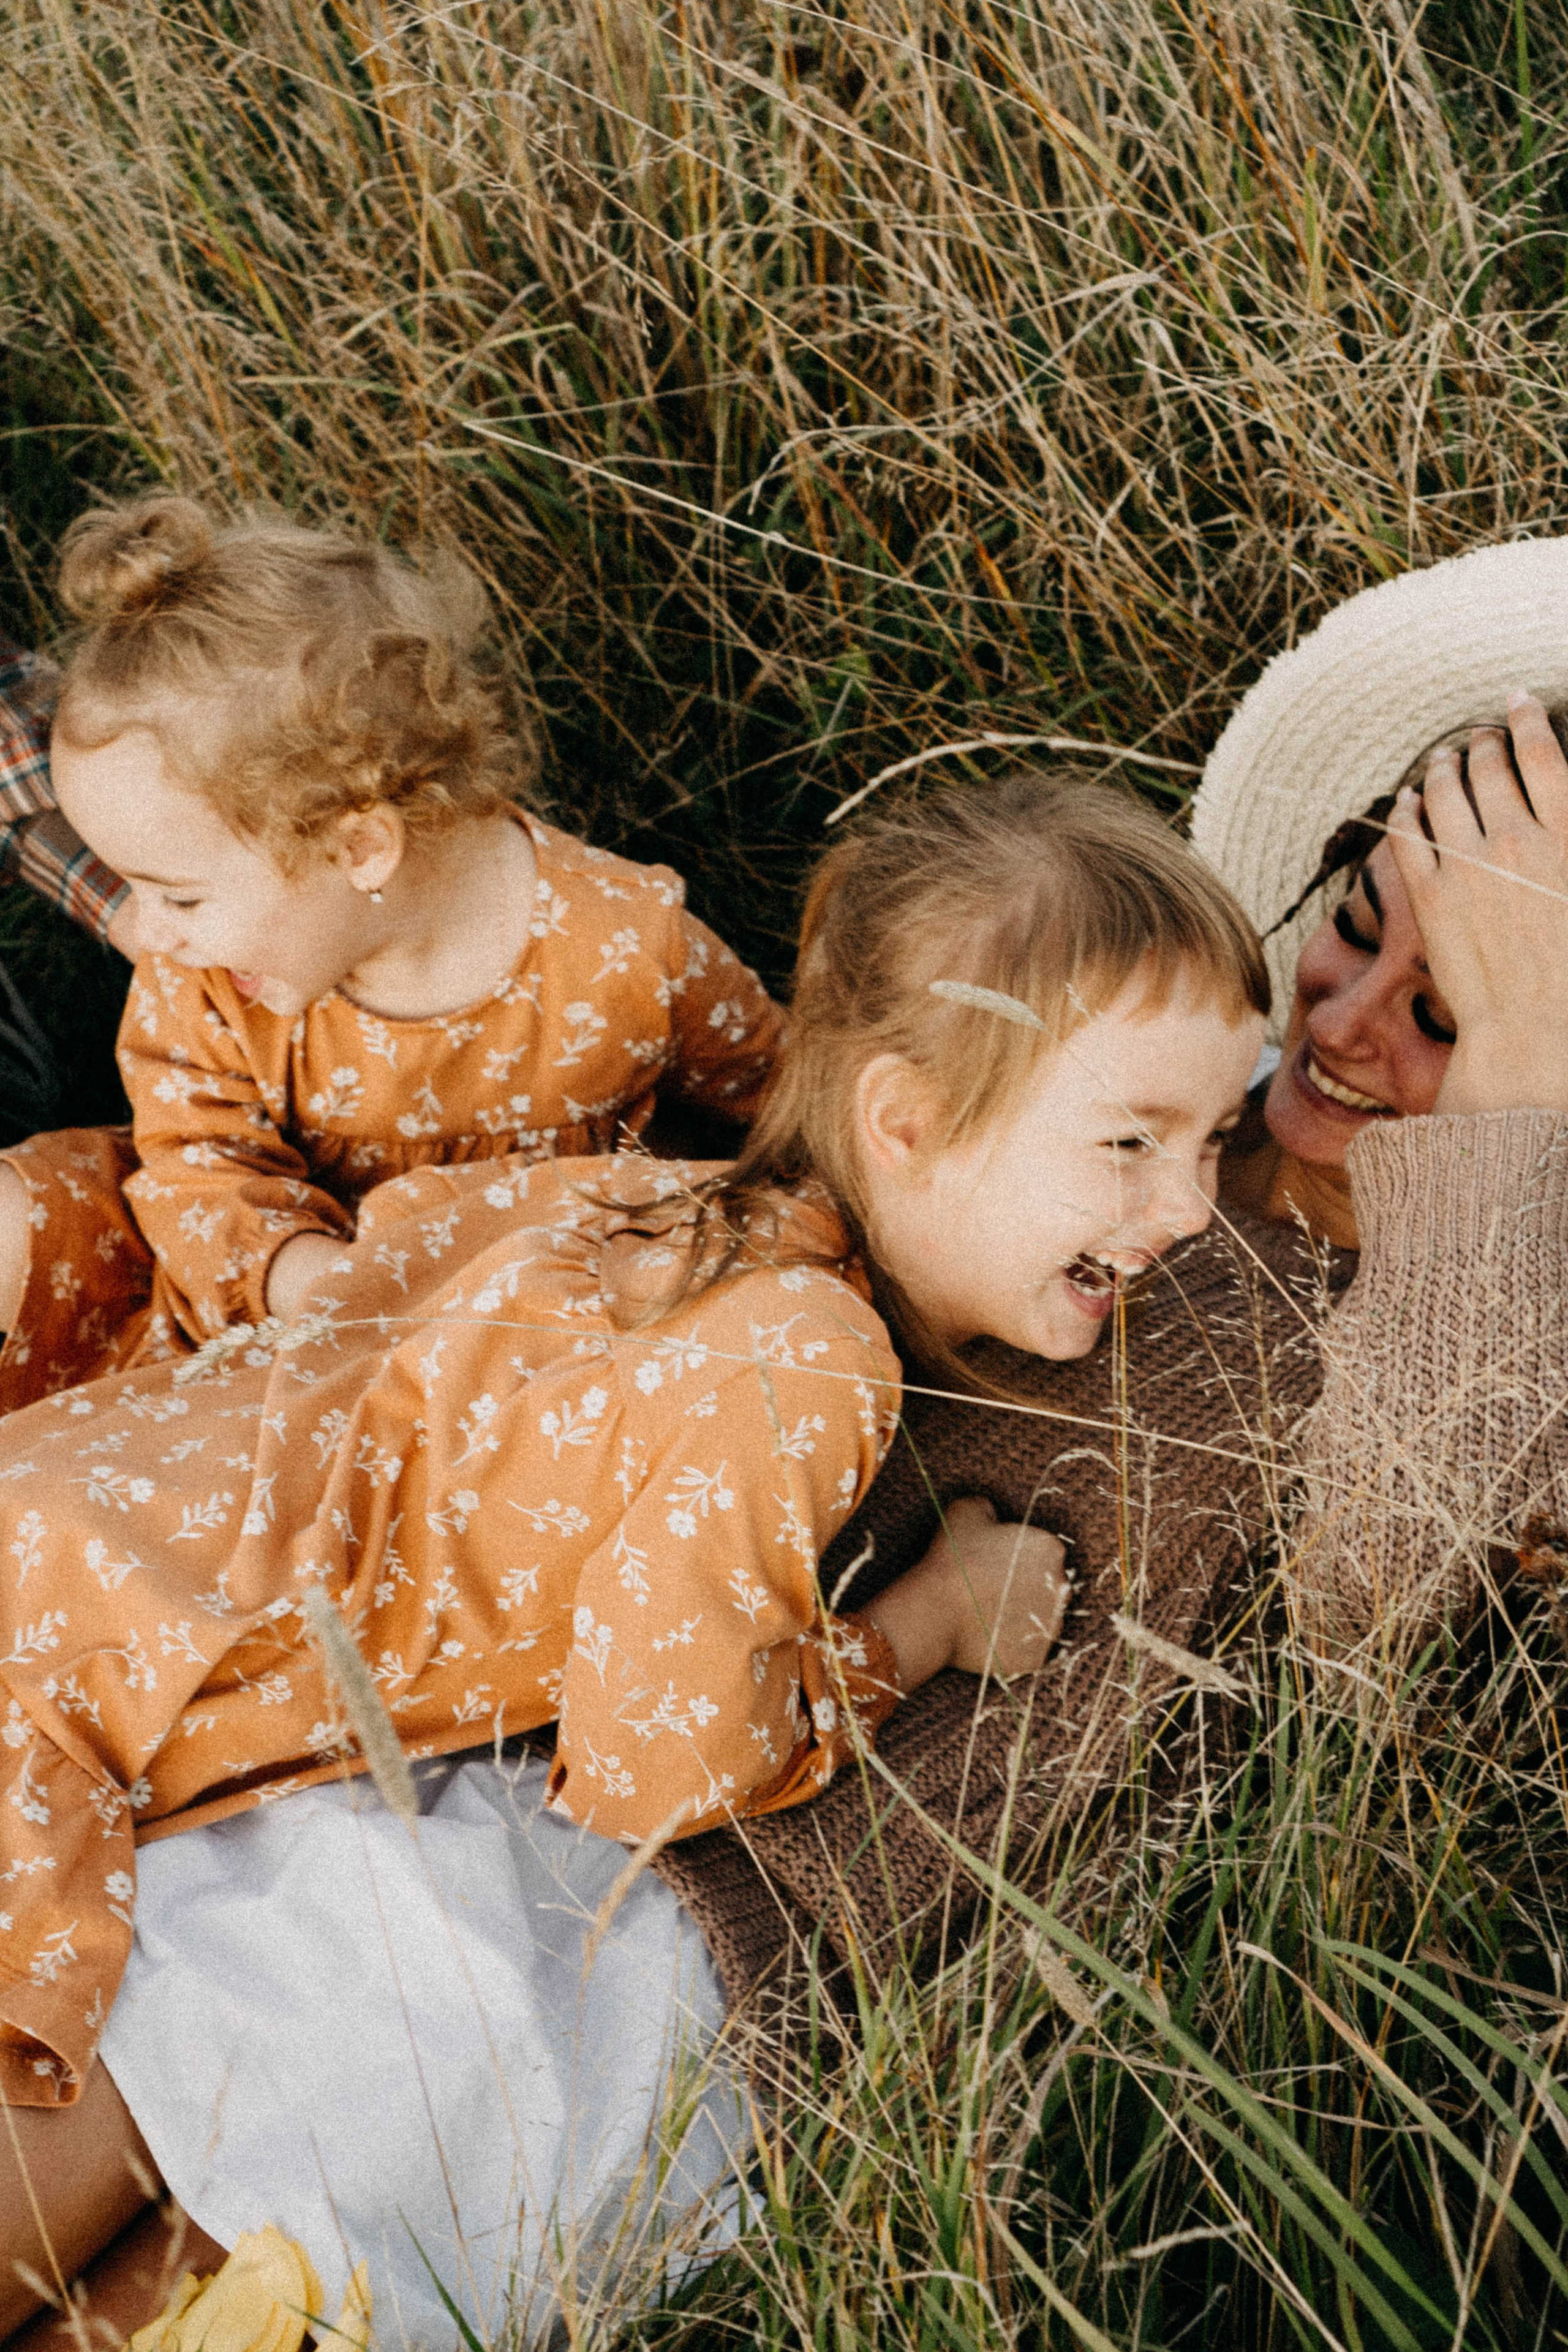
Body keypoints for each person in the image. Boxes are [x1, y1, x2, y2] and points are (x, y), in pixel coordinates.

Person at [0, 770, 1267, 2343]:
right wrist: (929, 1625)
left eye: (1218, 1133)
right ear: (908, 1118)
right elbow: (655, 1763)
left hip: (64, 1525)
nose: (1191, 1208)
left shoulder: (645, 1195)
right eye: (1131, 1141)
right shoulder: (809, 1363)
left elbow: (387, 1277)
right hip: (75, 1667)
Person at [0, 496, 784, 1408]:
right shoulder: (209, 978)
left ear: (361, 848)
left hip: (519, 1346)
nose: (149, 931)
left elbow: (779, 1097)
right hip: (267, 1316)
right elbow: (195, 1170)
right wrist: (321, 1284)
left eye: (179, 893)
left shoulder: (627, 948)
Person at [1185, 536, 1568, 1250]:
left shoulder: (1501, 1352)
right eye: (1356, 929)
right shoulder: (1112, 1090)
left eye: (1439, 1017)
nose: (1334, 1028)